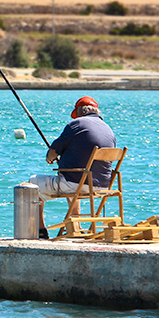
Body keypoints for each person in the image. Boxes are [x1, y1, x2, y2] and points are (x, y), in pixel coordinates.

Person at [28, 96, 115, 239]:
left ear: (80, 111)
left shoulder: (76, 124)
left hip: (76, 184)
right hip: (103, 186)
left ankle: (40, 231)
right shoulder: (108, 129)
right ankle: (76, 225)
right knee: (76, 177)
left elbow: (51, 155)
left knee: (32, 184)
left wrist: (52, 158)